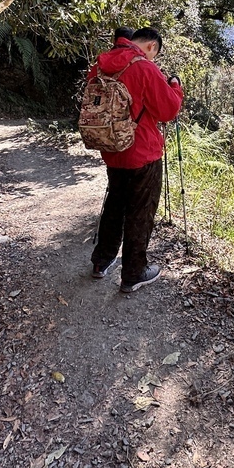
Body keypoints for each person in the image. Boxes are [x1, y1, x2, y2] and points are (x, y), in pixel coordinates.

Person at [89, 26, 183, 292]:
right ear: (151, 46)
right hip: (142, 152)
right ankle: (133, 273)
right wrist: (175, 86)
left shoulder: (100, 65)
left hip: (111, 149)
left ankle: (101, 262)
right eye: (155, 54)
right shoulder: (144, 67)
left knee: (115, 204)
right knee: (140, 212)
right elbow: (168, 110)